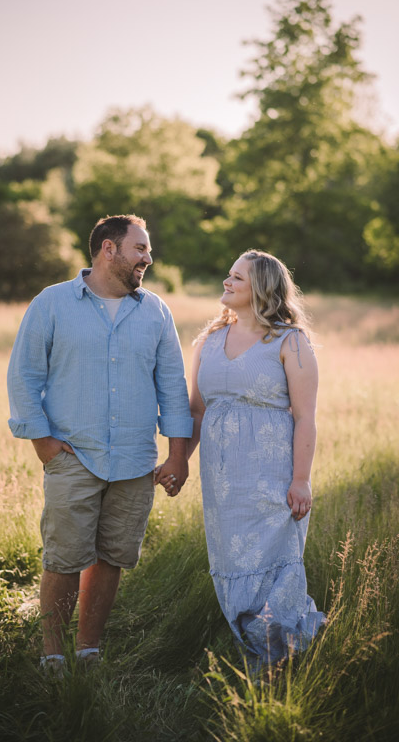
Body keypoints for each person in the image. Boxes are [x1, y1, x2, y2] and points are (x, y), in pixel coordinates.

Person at [7, 214, 192, 672]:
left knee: (112, 557)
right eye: (140, 249)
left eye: (147, 250)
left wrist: (178, 454)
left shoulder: (155, 311)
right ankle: (52, 653)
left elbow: (172, 384)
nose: (148, 258)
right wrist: (43, 443)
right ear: (108, 249)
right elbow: (24, 375)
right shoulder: (52, 304)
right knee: (65, 558)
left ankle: (88, 649)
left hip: (135, 461)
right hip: (73, 455)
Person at [161, 249, 326, 674]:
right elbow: (197, 411)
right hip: (223, 482)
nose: (226, 282)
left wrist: (301, 480)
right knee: (233, 563)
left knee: (274, 563)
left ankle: (282, 652)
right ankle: (256, 646)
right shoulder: (209, 341)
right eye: (228, 274)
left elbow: (305, 417)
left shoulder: (291, 341)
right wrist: (180, 462)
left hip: (273, 476)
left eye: (236, 277)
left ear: (262, 288)